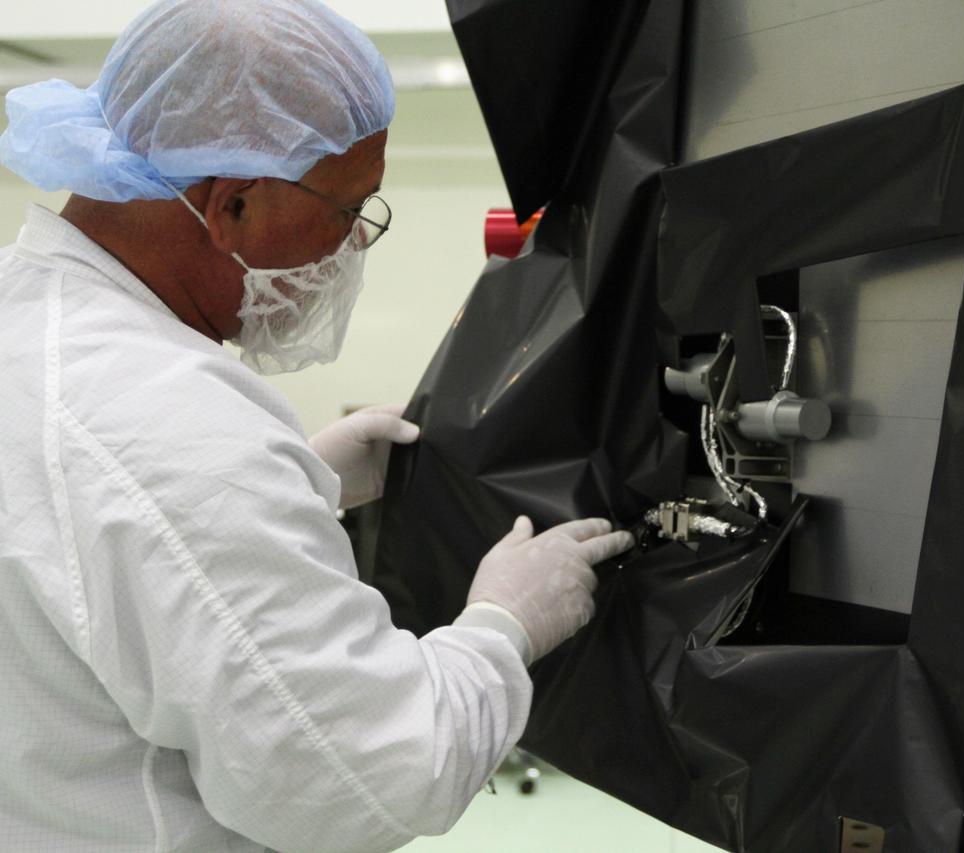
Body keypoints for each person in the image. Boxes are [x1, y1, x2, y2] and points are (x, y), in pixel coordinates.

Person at [0, 1, 633, 851]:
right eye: (348, 212)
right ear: (231, 206)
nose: (352, 245)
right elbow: (371, 783)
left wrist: (295, 480)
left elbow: (93, 548)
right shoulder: (178, 428)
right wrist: (501, 629)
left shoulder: (30, 314)